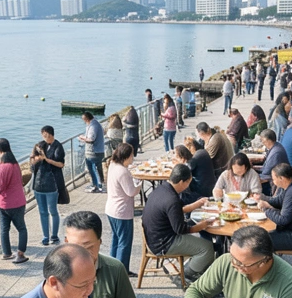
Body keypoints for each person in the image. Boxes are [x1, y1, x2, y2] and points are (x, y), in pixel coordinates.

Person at [63, 211, 138, 298]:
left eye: (88, 247)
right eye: (75, 247)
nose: (82, 255)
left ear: (100, 242)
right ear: (66, 242)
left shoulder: (115, 269)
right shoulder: (58, 273)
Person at [141, 164, 217, 277]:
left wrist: (197, 204)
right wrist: (202, 225)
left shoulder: (162, 189)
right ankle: (187, 275)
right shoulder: (172, 199)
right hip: (164, 243)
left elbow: (175, 211)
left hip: (155, 238)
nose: (188, 186)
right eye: (188, 183)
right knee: (207, 248)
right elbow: (181, 229)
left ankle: (194, 269)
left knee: (202, 243)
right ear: (182, 182)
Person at [0, 138, 29, 264]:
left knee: (4, 228)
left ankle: (6, 253)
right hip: (18, 201)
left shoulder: (1, 166)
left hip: (4, 202)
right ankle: (20, 253)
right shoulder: (14, 163)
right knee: (21, 228)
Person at [104, 143, 139, 271]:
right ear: (127, 156)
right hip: (121, 211)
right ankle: (122, 271)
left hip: (111, 209)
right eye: (132, 155)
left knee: (116, 239)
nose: (133, 158)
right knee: (124, 242)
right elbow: (131, 192)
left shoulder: (113, 165)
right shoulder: (123, 171)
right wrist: (139, 183)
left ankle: (112, 268)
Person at [30, 126, 66, 246]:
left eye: (45, 134)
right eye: (42, 135)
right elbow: (32, 161)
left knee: (53, 211)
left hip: (52, 183)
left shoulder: (58, 146)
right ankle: (45, 236)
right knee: (42, 212)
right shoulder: (39, 145)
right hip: (38, 183)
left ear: (50, 134)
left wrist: (47, 159)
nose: (44, 137)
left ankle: (54, 236)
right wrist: (37, 159)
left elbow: (61, 164)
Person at [78, 111, 106, 193]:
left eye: (84, 120)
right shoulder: (95, 124)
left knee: (94, 169)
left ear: (86, 119)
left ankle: (97, 186)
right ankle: (97, 184)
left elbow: (91, 139)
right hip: (97, 151)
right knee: (97, 169)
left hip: (94, 152)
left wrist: (82, 138)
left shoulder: (93, 126)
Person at [258, 129, 288, 196]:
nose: (262, 142)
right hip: (271, 175)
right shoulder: (276, 146)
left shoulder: (276, 153)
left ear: (268, 140)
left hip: (273, 180)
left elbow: (266, 173)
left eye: (263, 140)